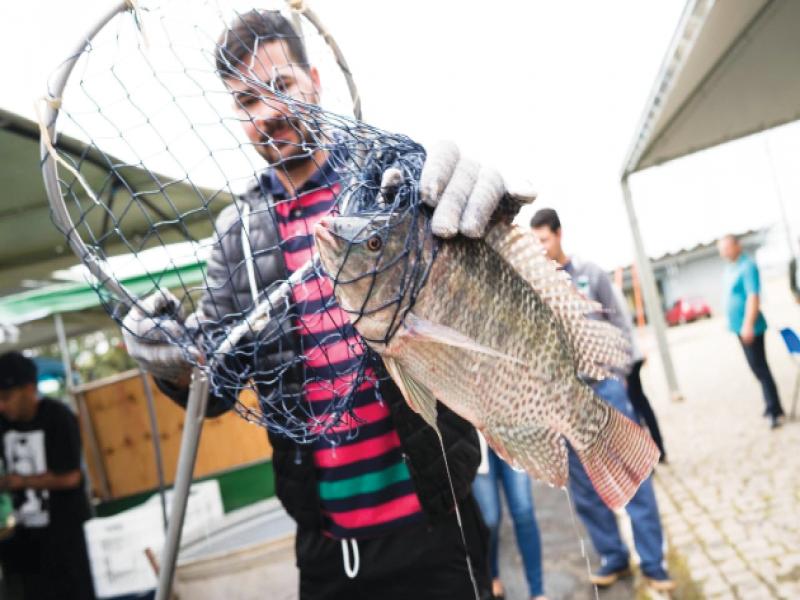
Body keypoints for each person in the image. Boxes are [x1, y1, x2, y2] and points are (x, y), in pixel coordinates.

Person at [123, 10, 534, 600]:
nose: (267, 113)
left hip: (438, 530)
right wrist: (165, 358)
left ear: (315, 79)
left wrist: (484, 205)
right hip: (328, 556)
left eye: (280, 86)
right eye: (244, 102)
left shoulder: (390, 184)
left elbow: (478, 280)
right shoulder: (238, 236)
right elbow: (212, 387)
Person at [530, 208, 675, 593]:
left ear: (559, 234)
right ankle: (613, 556)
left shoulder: (590, 275)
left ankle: (653, 563)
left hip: (605, 388)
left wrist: (623, 375)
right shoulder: (536, 286)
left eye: (544, 239)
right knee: (583, 484)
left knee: (632, 474)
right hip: (564, 400)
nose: (540, 248)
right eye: (535, 242)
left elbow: (621, 324)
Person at [0, 352, 95, 600]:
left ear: (29, 389)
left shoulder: (58, 417)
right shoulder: (3, 423)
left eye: (7, 397)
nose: (2, 405)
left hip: (67, 539)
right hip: (27, 541)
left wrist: (20, 482)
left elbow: (72, 477)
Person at [717, 234, 785, 428]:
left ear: (737, 246)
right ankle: (770, 403)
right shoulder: (730, 268)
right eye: (721, 249)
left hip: (751, 327)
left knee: (761, 368)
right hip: (738, 327)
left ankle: (774, 410)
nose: (724, 252)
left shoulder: (747, 266)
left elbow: (753, 297)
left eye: (726, 247)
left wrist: (748, 324)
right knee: (755, 368)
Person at [472, 435, 547, 600]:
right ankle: (493, 575)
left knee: (524, 512)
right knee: (489, 520)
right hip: (475, 440)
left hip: (510, 436)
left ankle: (537, 591)